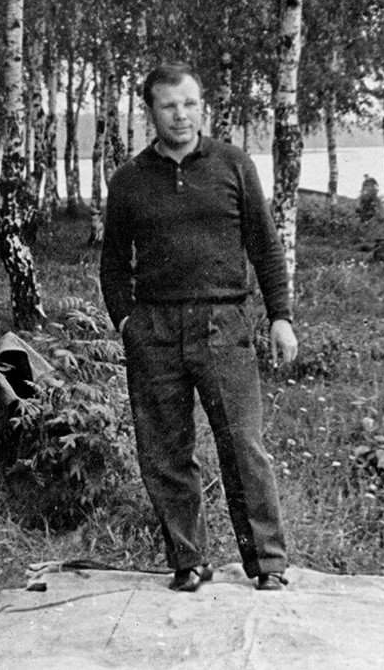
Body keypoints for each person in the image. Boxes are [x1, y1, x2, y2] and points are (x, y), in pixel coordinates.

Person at [99, 62, 298, 593]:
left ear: (201, 106)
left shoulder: (233, 164)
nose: (181, 115)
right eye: (169, 105)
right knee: (165, 451)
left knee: (243, 446)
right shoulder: (129, 180)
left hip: (224, 324)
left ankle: (268, 564)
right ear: (150, 112)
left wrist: (280, 317)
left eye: (189, 103)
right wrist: (127, 322)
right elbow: (114, 264)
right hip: (156, 329)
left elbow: (265, 246)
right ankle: (188, 560)